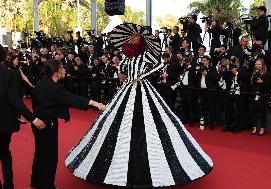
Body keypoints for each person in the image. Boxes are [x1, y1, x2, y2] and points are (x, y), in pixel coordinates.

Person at [65, 23, 213, 188]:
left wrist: (141, 76)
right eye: (131, 36)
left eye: (135, 36)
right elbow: (121, 65)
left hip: (142, 88)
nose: (132, 38)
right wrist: (121, 72)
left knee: (150, 119)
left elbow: (160, 64)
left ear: (141, 39)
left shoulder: (146, 54)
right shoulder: (127, 56)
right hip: (127, 88)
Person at [31, 59, 106, 189]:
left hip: (38, 122)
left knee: (40, 153)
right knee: (50, 156)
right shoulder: (55, 88)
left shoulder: (40, 83)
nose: (65, 70)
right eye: (62, 68)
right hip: (48, 124)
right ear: (57, 72)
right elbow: (72, 99)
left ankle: (36, 181)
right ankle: (47, 185)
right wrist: (94, 103)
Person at [0, 45, 46, 189]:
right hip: (4, 123)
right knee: (4, 153)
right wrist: (33, 118)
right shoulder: (9, 75)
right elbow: (15, 100)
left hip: (4, 122)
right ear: (5, 58)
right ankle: (9, 185)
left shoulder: (11, 74)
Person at [250, 59, 271, 136]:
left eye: (259, 64)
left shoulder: (266, 74)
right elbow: (252, 84)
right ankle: (254, 127)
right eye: (256, 64)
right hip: (254, 95)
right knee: (254, 111)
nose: (257, 66)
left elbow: (268, 85)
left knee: (262, 112)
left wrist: (262, 82)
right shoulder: (254, 73)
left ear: (262, 65)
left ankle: (262, 128)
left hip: (262, 95)